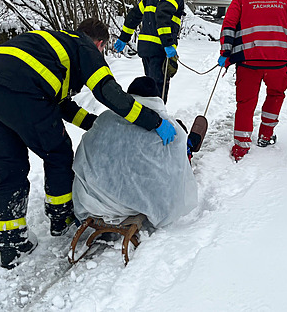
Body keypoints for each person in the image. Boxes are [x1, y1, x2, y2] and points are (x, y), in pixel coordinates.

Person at [0, 19, 177, 269]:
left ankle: (10, 243)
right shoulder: (84, 47)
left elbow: (61, 105)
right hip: (22, 91)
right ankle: (61, 219)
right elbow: (108, 92)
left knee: (9, 170)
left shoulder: (51, 45)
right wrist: (153, 121)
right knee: (57, 153)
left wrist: (95, 124)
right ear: (99, 44)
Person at [72, 76, 197, 229]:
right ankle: (191, 144)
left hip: (94, 200)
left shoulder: (105, 119)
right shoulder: (167, 126)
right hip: (137, 202)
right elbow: (175, 176)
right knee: (178, 147)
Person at [217, 0, 287, 162]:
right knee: (275, 96)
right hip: (278, 63)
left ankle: (241, 147)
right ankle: (265, 136)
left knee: (245, 103)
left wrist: (225, 53)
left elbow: (229, 26)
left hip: (248, 62)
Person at [114, 0, 201, 103]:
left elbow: (135, 14)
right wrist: (168, 44)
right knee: (158, 95)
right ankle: (157, 122)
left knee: (150, 91)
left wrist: (123, 38)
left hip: (145, 48)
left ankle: (147, 119)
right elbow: (163, 14)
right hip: (159, 49)